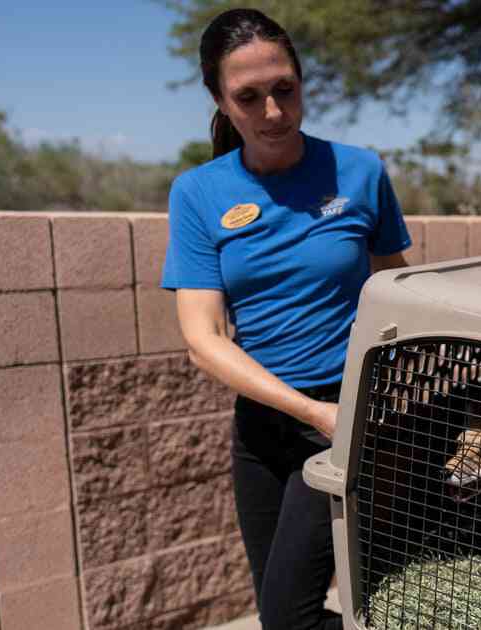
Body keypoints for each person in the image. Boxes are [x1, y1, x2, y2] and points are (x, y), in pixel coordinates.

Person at [161, 9, 412, 629]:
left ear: (302, 83)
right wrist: (304, 412)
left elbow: (396, 295)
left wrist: (377, 409)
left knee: (291, 618)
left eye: (285, 89)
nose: (273, 112)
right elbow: (203, 338)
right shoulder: (198, 193)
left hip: (350, 415)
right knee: (278, 605)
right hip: (263, 428)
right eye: (248, 97)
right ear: (219, 99)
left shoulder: (360, 173)